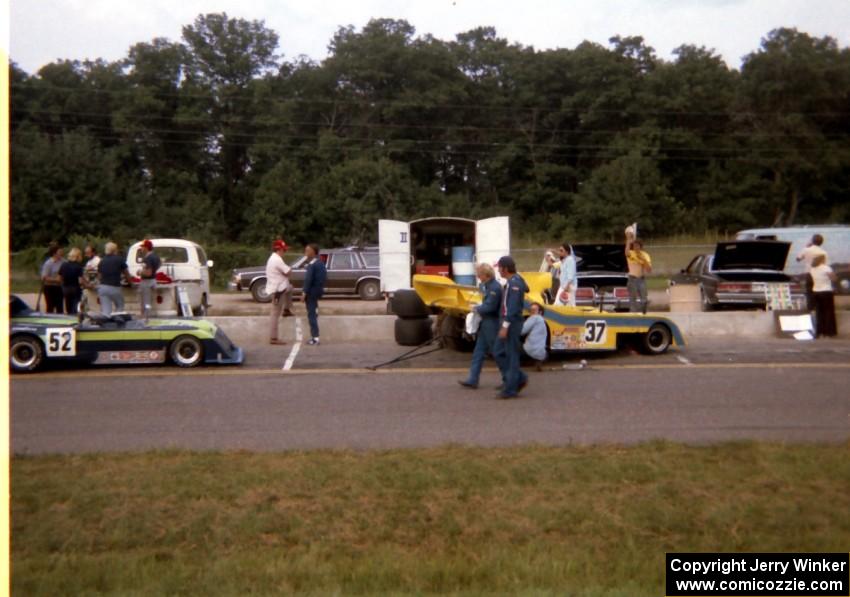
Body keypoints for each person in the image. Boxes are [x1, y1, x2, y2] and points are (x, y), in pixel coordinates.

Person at [459, 263, 505, 389]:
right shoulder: (486, 286)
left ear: (486, 275)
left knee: (497, 352)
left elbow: (490, 307)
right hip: (485, 322)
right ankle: (473, 379)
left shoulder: (494, 288)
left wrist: (476, 308)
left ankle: (509, 378)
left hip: (492, 323)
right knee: (478, 352)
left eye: (479, 274)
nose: (478, 277)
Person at [493, 256, 529, 399]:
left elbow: (512, 307)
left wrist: (505, 325)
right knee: (498, 351)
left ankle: (511, 388)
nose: (498, 271)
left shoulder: (514, 284)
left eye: (499, 268)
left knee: (511, 355)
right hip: (510, 322)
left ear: (505, 269)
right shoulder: (515, 281)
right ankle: (518, 378)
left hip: (511, 323)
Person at [266, 239, 293, 345]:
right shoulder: (277, 260)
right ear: (279, 249)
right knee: (275, 313)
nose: (284, 252)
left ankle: (286, 309)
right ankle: (273, 338)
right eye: (284, 250)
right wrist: (287, 272)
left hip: (281, 287)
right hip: (278, 290)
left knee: (290, 288)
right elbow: (288, 272)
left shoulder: (275, 258)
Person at [301, 243, 327, 346]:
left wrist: (304, 292)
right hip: (317, 292)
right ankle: (315, 337)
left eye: (307, 251)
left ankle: (315, 338)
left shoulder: (312, 264)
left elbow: (308, 280)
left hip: (311, 293)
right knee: (314, 313)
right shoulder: (320, 263)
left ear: (313, 252)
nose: (306, 253)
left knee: (311, 314)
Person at [796, 234, 828, 312]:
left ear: (812, 241)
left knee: (809, 291)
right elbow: (824, 264)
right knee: (819, 290)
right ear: (822, 242)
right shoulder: (823, 252)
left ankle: (811, 308)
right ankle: (819, 307)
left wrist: (806, 247)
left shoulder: (806, 250)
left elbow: (798, 259)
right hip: (819, 275)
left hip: (809, 273)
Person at [97, 242, 131, 315]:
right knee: (120, 305)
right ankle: (118, 322)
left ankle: (106, 323)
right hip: (114, 287)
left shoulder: (102, 261)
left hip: (103, 287)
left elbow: (99, 276)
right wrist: (131, 283)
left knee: (106, 311)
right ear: (115, 250)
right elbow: (127, 274)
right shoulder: (119, 259)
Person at [811, 253, 837, 338]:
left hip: (816, 291)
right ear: (822, 260)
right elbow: (834, 278)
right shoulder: (826, 268)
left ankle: (819, 332)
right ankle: (828, 332)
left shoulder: (812, 269)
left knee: (819, 312)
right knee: (828, 312)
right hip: (826, 291)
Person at [625, 230, 652, 314]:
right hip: (632, 278)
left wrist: (642, 258)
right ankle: (633, 316)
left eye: (637, 246)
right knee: (632, 300)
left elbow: (649, 269)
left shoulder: (645, 255)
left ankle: (644, 313)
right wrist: (628, 241)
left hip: (641, 279)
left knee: (644, 299)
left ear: (641, 246)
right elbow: (626, 253)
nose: (636, 248)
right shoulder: (631, 253)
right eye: (634, 246)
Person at [137, 239, 161, 318]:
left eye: (143, 247)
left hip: (146, 282)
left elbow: (148, 272)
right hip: (153, 280)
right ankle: (151, 315)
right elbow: (159, 264)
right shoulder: (156, 257)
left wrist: (140, 272)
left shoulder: (148, 258)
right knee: (151, 301)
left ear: (146, 248)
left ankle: (146, 317)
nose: (141, 248)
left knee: (145, 301)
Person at [521, 302, 548, 371]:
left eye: (534, 310)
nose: (531, 312)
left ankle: (524, 361)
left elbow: (522, 331)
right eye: (531, 310)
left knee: (513, 344)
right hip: (542, 353)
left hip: (530, 349)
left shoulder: (534, 318)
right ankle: (537, 360)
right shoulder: (543, 321)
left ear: (540, 312)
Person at [40, 243, 65, 313]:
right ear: (54, 253)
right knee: (50, 307)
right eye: (59, 252)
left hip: (59, 287)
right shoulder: (48, 263)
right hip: (49, 288)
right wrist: (56, 280)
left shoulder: (63, 262)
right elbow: (44, 277)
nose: (61, 253)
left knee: (60, 307)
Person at [59, 247, 85, 314]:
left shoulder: (64, 265)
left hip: (66, 288)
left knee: (68, 304)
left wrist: (63, 285)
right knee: (76, 305)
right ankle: (74, 317)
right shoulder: (78, 266)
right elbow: (80, 281)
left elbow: (60, 277)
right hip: (75, 288)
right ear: (78, 256)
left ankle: (69, 315)